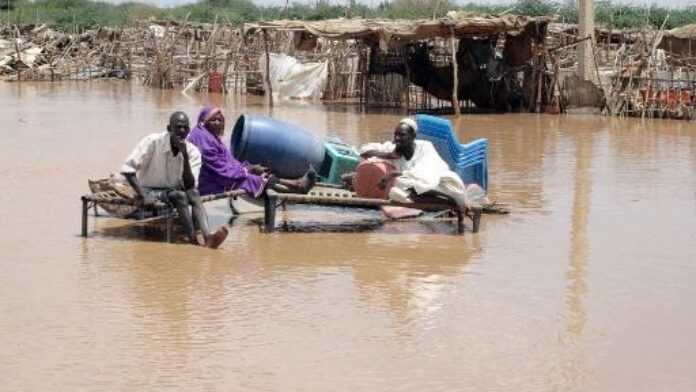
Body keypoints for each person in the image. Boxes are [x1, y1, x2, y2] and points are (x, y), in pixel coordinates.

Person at [120, 111, 229, 248]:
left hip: (173, 190)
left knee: (193, 194)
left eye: (185, 128)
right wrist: (143, 195)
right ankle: (193, 241)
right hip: (150, 189)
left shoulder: (192, 151)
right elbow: (127, 169)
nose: (181, 131)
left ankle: (208, 237)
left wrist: (184, 156)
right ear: (169, 128)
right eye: (178, 127)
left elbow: (190, 185)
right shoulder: (153, 142)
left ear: (189, 130)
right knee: (180, 196)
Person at [186, 106, 316, 198]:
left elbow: (226, 161)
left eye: (220, 120)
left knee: (257, 173)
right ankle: (298, 186)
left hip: (215, 175)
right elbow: (218, 166)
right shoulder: (202, 139)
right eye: (213, 120)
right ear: (204, 122)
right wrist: (246, 171)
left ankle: (296, 184)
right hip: (208, 182)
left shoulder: (208, 136)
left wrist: (247, 167)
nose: (217, 123)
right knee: (255, 179)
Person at [356, 118, 472, 211]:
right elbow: (364, 150)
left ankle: (450, 201)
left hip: (436, 182)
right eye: (395, 134)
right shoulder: (394, 149)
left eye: (402, 135)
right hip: (411, 187)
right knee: (397, 189)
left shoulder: (425, 147)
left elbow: (423, 173)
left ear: (413, 136)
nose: (397, 138)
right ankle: (444, 202)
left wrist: (392, 174)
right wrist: (388, 155)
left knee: (450, 184)